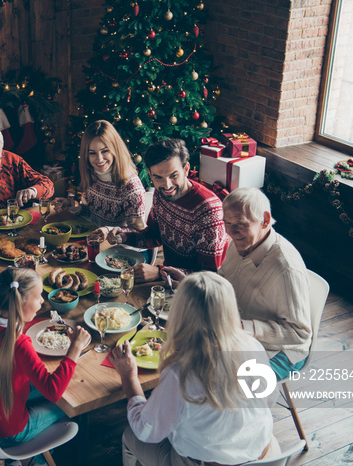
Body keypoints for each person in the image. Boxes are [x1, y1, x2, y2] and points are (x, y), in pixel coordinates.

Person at [110, 271, 279, 466]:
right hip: (266, 456)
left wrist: (129, 377)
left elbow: (145, 430)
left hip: (204, 463)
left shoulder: (180, 372)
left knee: (130, 435)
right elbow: (269, 400)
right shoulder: (252, 345)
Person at [0, 268, 91, 463]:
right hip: (8, 432)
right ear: (21, 302)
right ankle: (34, 459)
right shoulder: (19, 344)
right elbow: (53, 391)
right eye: (38, 296)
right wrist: (75, 348)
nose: (42, 301)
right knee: (75, 405)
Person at [97, 139, 228, 283]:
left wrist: (160, 272)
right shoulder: (161, 193)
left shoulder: (209, 211)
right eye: (158, 177)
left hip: (196, 291)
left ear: (186, 169)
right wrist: (125, 236)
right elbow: (154, 236)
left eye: (173, 175)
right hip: (167, 281)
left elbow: (210, 276)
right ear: (150, 174)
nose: (167, 185)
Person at [219, 187, 312, 381]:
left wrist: (243, 327)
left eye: (240, 224)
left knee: (222, 382)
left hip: (281, 352)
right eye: (227, 223)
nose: (231, 232)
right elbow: (224, 278)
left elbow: (299, 334)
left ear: (265, 220)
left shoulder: (286, 269)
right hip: (240, 333)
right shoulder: (240, 241)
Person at [52, 120, 146, 229]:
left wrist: (108, 231)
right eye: (92, 153)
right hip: (90, 238)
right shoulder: (92, 173)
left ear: (115, 150)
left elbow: (139, 234)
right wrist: (71, 205)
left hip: (114, 245)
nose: (99, 159)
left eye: (105, 151)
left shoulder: (132, 187)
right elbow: (90, 214)